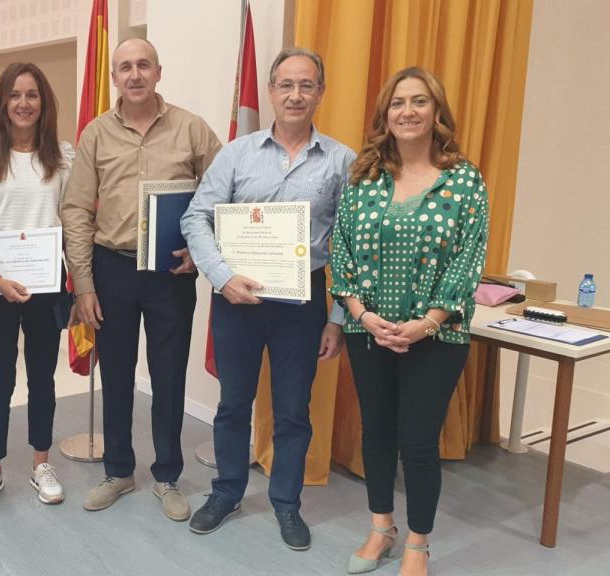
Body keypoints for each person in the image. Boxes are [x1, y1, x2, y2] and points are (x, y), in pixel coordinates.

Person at [181, 47, 354, 550]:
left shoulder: (343, 162)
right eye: (285, 85)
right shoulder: (235, 153)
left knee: (294, 410)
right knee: (233, 404)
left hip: (303, 306)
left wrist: (338, 317)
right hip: (237, 299)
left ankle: (286, 503)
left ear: (320, 92)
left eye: (306, 85)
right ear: (272, 90)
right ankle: (227, 491)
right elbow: (197, 217)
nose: (295, 95)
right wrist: (221, 276)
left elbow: (347, 246)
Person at [331, 67, 489, 576]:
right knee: (376, 432)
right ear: (385, 115)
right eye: (398, 103)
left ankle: (418, 543)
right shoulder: (363, 177)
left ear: (437, 112)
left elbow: (469, 257)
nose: (408, 111)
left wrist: (427, 321)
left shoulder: (464, 180)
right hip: (367, 329)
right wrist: (362, 313)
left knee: (418, 440)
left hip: (438, 335)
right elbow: (343, 249)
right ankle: (381, 529)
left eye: (420, 102)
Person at [62, 37, 221, 522]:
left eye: (143, 65)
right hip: (112, 268)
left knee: (169, 373)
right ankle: (118, 470)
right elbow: (75, 209)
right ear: (114, 77)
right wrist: (84, 284)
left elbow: (222, 195)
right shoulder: (95, 134)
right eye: (125, 67)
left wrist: (200, 252)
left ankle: (167, 475)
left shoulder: (192, 130)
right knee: (116, 372)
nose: (134, 74)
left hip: (171, 271)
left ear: (158, 72)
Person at [0, 62, 74, 512]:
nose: (24, 104)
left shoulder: (62, 158)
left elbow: (72, 224)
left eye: (32, 95)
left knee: (43, 376)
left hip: (47, 287)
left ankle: (41, 462)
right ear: (2, 103)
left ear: (44, 104)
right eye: (15, 95)